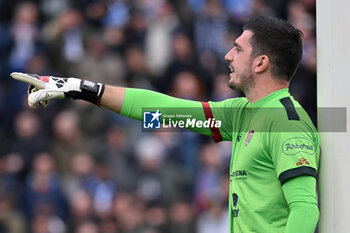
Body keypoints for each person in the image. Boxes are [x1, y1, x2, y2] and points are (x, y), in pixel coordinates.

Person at [11, 16, 319, 233]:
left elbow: (305, 210)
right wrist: (79, 88)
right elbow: (162, 110)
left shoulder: (285, 122)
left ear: (261, 63)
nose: (228, 55)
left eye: (238, 49)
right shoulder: (242, 113)